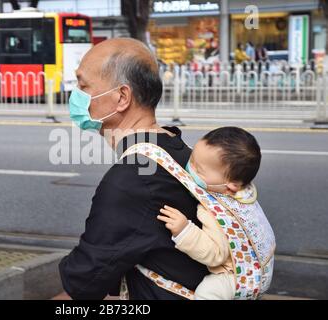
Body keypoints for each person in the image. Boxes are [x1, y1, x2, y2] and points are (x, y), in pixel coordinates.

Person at [59, 38, 209, 300]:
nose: (76, 96)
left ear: (122, 97)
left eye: (83, 86)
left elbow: (84, 281)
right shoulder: (178, 149)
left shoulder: (131, 180)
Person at [157, 127, 275, 299]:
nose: (190, 168)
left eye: (199, 170)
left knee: (206, 292)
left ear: (231, 185)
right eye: (192, 159)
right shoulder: (244, 194)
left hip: (236, 277)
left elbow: (215, 255)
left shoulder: (217, 212)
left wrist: (184, 231)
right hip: (260, 267)